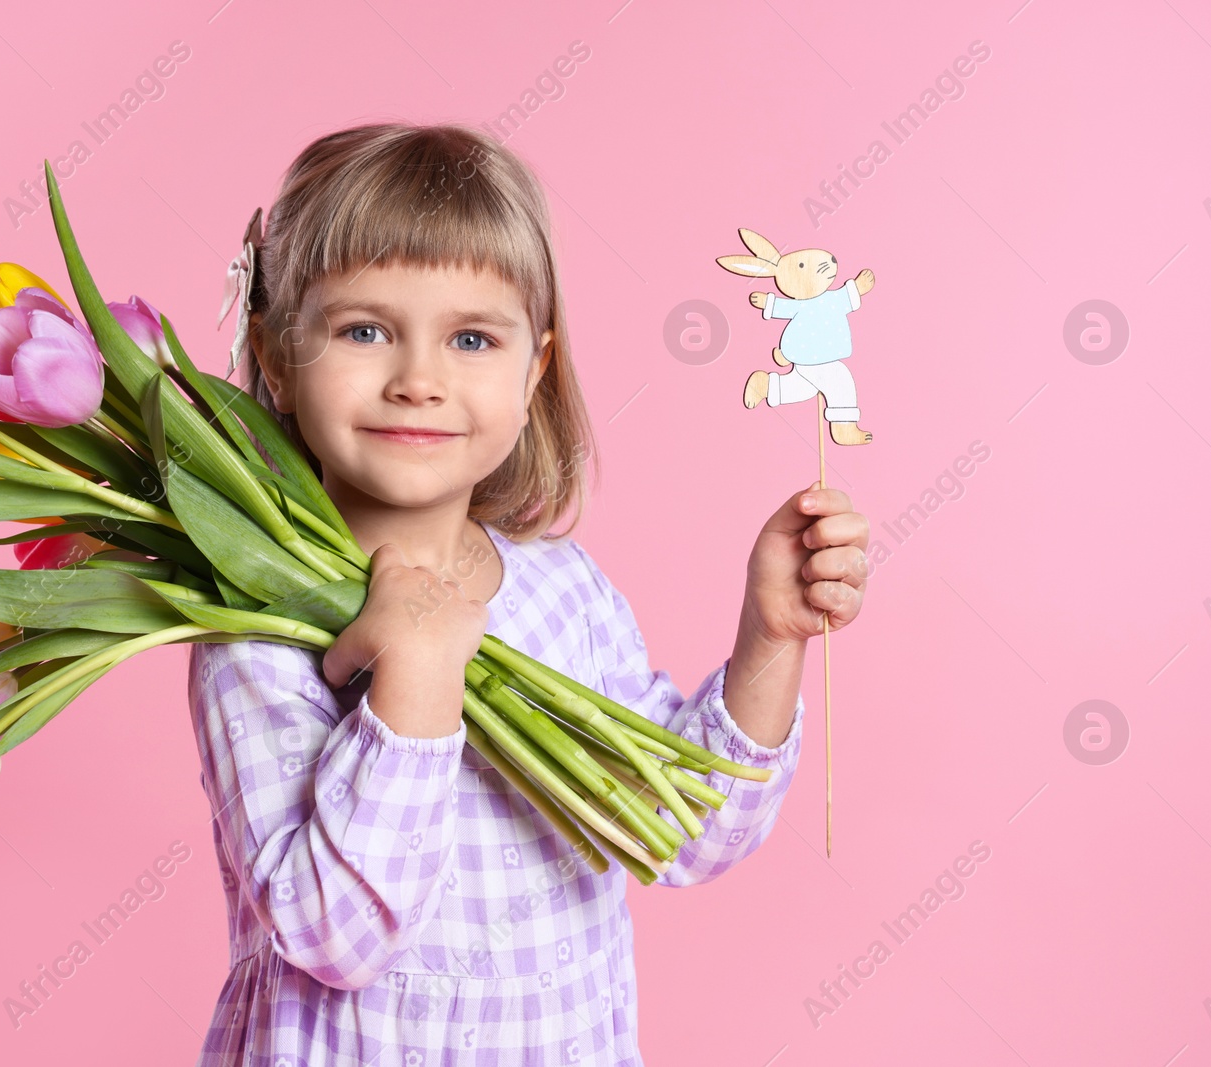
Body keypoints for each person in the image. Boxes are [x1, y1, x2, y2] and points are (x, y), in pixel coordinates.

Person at [186, 122, 870, 1065]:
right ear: (273, 350)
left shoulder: (563, 590)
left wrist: (771, 637)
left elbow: (679, 830)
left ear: (533, 369)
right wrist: (415, 674)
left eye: (472, 337)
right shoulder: (255, 634)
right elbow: (333, 932)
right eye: (364, 329)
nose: (419, 379)